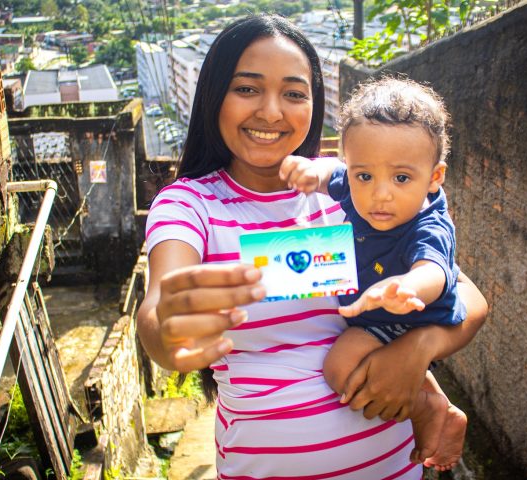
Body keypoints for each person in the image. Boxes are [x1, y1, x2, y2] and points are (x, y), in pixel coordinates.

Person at [137, 14, 488, 478]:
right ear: (214, 96)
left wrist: (417, 348)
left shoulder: (357, 191)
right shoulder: (192, 206)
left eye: (294, 93)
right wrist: (170, 329)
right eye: (247, 89)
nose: (271, 111)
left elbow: (467, 297)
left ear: (315, 103)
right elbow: (159, 306)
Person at [279, 77, 468, 470]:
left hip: (410, 314)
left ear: (434, 178)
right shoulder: (354, 187)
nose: (380, 194)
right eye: (365, 176)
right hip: (381, 316)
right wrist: (311, 171)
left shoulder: (426, 225)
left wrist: (405, 287)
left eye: (401, 178)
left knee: (339, 367)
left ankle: (429, 407)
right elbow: (333, 173)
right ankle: (432, 398)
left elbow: (435, 270)